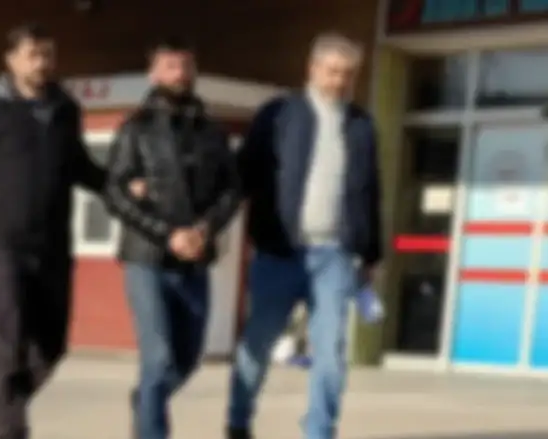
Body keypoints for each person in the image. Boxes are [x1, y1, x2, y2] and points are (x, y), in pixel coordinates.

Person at [0, 22, 106, 439]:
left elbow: (80, 168)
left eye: (48, 55)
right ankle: (9, 428)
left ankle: (8, 404)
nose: (42, 63)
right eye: (33, 55)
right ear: (11, 60)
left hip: (53, 245)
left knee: (52, 347)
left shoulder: (66, 111)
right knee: (8, 343)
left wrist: (121, 186)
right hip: (1, 244)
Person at [226, 32, 382, 439]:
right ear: (312, 69)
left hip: (335, 256)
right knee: (258, 344)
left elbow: (371, 192)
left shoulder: (361, 125)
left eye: (348, 74)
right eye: (332, 72)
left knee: (331, 352)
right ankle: (238, 420)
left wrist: (371, 255)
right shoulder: (279, 115)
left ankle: (319, 430)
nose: (340, 81)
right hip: (280, 252)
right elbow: (242, 174)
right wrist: (209, 222)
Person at [104, 37, 241, 439]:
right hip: (146, 259)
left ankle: (145, 401)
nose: (179, 74)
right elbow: (115, 192)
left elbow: (231, 190)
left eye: (186, 66)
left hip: (195, 261)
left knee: (188, 359)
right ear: (153, 73)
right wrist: (168, 234)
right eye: (170, 66)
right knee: (158, 358)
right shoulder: (135, 129)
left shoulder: (212, 132)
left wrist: (204, 229)